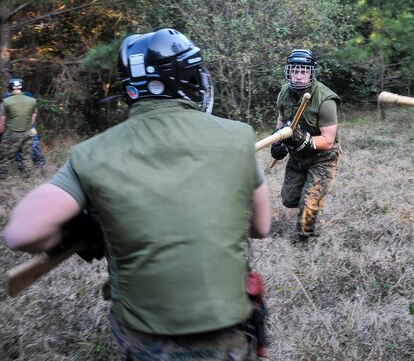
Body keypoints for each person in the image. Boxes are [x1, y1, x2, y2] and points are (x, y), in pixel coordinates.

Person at [3, 28, 271, 360]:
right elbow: (261, 227)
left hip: (144, 338)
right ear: (190, 78)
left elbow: (21, 233)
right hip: (226, 330)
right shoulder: (237, 136)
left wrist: (83, 227)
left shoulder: (92, 153)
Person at [270, 49, 341, 242]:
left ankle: (304, 238)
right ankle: (314, 196)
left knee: (308, 203)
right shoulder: (284, 92)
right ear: (289, 72)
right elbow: (282, 118)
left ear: (311, 73)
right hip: (298, 156)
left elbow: (327, 140)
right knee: (289, 199)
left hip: (323, 158)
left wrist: (306, 140)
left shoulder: (325, 100)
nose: (299, 75)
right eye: (295, 71)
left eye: (304, 71)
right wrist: (278, 141)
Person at [0, 78, 39, 178]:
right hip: (28, 132)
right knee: (26, 156)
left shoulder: (6, 102)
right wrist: (27, 127)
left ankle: (3, 177)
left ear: (10, 87)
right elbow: (33, 117)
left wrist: (1, 134)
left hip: (12, 132)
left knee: (5, 156)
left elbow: (2, 123)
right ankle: (28, 176)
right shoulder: (32, 100)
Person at [3, 86, 47, 169]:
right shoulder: (7, 96)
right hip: (15, 124)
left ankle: (39, 163)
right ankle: (22, 166)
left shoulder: (27, 95)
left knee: (33, 146)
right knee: (19, 147)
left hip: (27, 124)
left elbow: (33, 111)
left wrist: (31, 124)